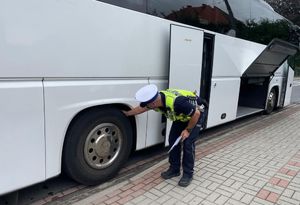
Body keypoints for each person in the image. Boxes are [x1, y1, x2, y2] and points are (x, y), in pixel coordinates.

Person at [123, 84, 207, 187]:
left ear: (153, 103)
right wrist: (127, 114)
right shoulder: (157, 100)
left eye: (148, 105)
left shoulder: (177, 103)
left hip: (197, 114)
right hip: (182, 116)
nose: (146, 107)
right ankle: (174, 169)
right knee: (173, 140)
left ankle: (188, 174)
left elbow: (196, 114)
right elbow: (141, 108)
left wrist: (188, 130)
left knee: (188, 143)